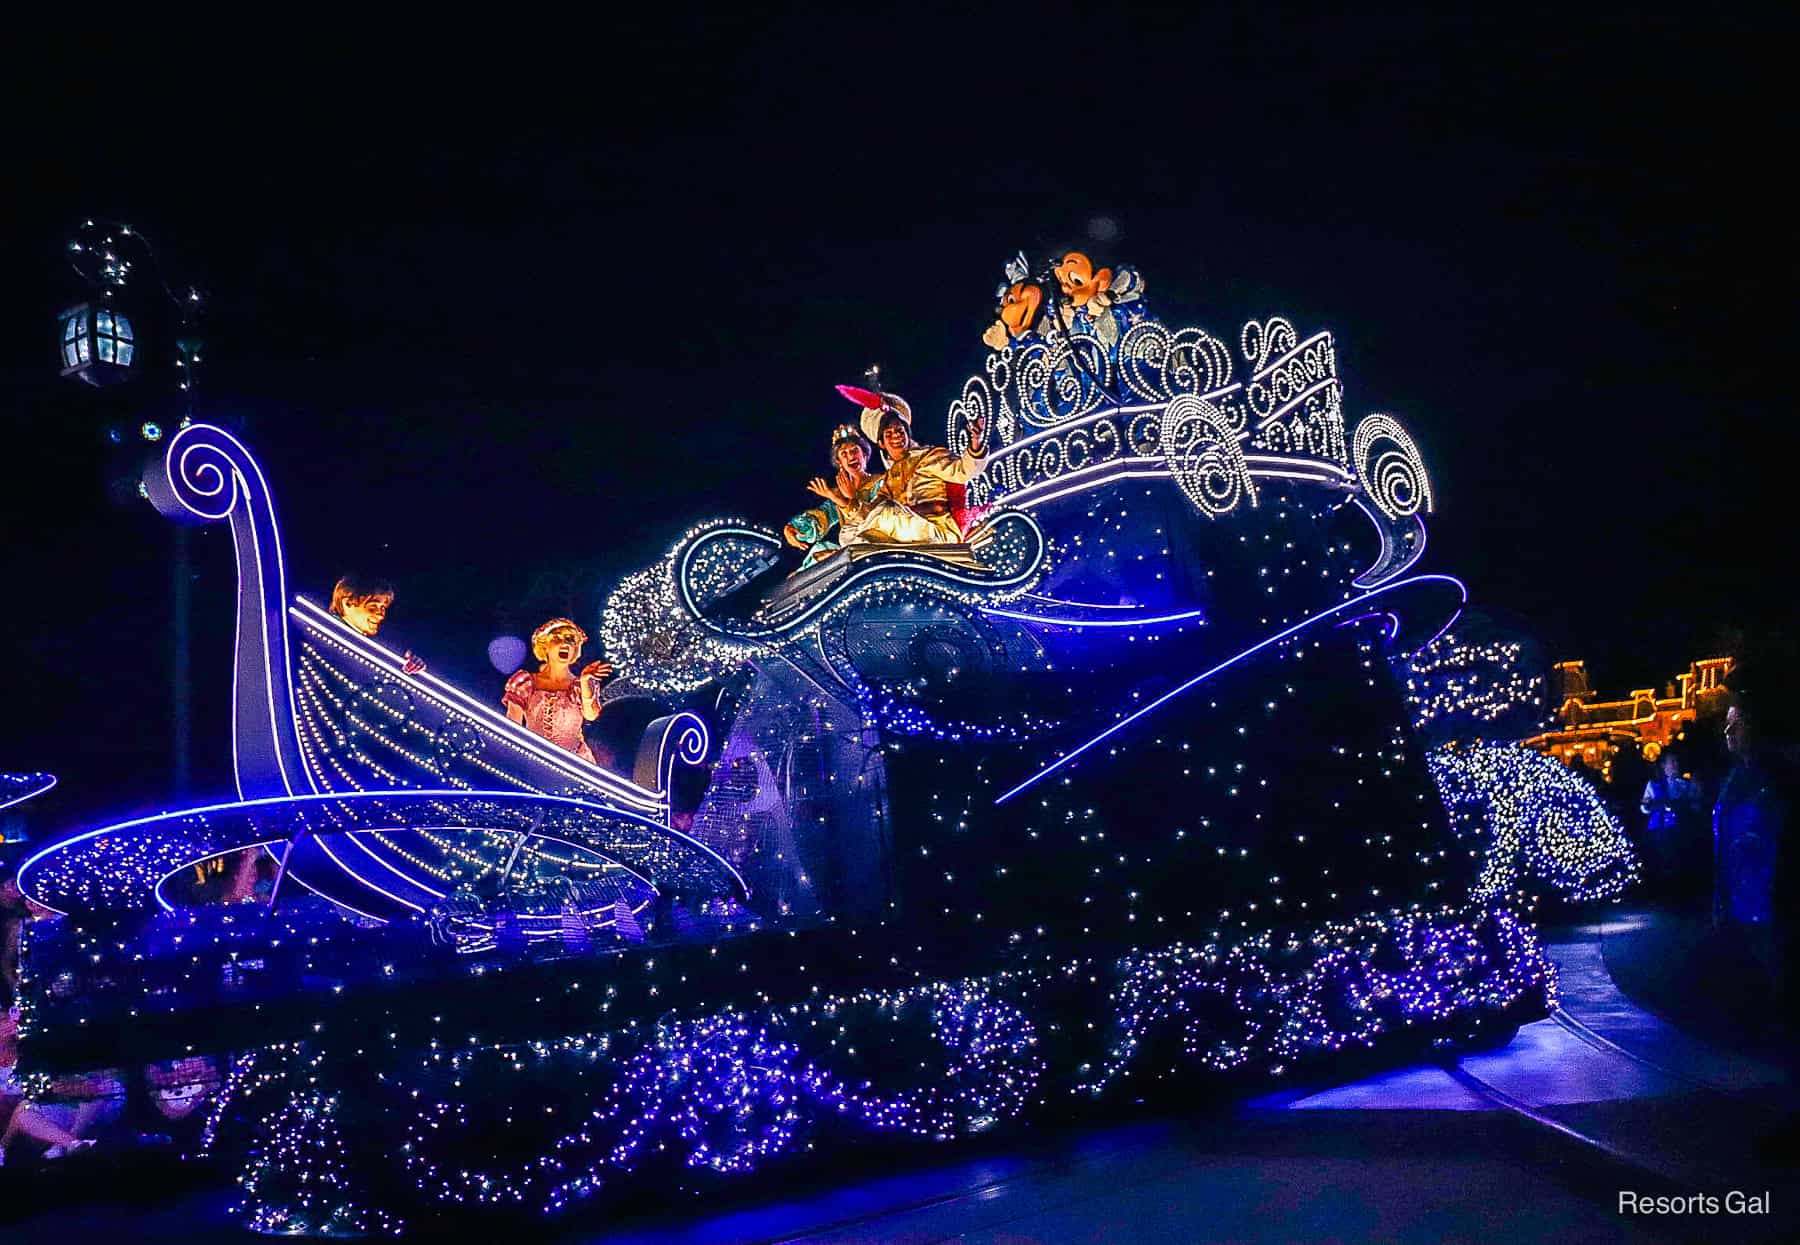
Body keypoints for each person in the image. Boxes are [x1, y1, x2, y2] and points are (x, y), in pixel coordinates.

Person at [834, 384, 988, 548]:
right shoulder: (889, 479)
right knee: (847, 532)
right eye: (889, 434)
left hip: (937, 531)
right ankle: (872, 547)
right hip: (906, 532)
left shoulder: (929, 456)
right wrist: (850, 500)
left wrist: (975, 443)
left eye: (900, 431)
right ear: (881, 443)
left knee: (887, 510)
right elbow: (871, 511)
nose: (896, 436)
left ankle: (871, 544)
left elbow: (965, 470)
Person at [1714, 695, 1783, 981]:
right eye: (1727, 725)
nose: (1728, 732)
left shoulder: (1771, 775)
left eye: (1736, 724)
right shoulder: (1734, 776)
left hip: (1766, 888)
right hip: (1736, 887)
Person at [503, 619, 613, 764]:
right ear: (545, 647)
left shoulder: (580, 685)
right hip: (535, 759)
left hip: (575, 762)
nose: (564, 643)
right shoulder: (526, 682)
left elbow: (591, 715)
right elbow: (513, 722)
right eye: (556, 638)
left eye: (570, 639)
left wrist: (586, 681)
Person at [784, 424, 880, 569]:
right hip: (851, 546)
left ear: (864, 455)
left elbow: (878, 518)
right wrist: (793, 528)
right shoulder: (839, 491)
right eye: (844, 454)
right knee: (819, 552)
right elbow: (823, 517)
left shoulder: (881, 482)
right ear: (840, 463)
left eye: (855, 451)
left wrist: (847, 499)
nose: (851, 457)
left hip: (877, 544)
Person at [328, 573, 425, 674]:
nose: (381, 615)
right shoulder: (324, 639)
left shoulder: (378, 648)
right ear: (347, 602)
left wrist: (412, 667)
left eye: (383, 608)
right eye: (373, 607)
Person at [1640, 750, 1703, 900]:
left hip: (1682, 829)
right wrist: (1651, 805)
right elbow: (1644, 807)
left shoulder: (1686, 785)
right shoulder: (1653, 785)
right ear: (1663, 766)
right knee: (1664, 860)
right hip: (1661, 829)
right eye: (1671, 762)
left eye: (1676, 762)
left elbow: (1696, 806)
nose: (1675, 765)